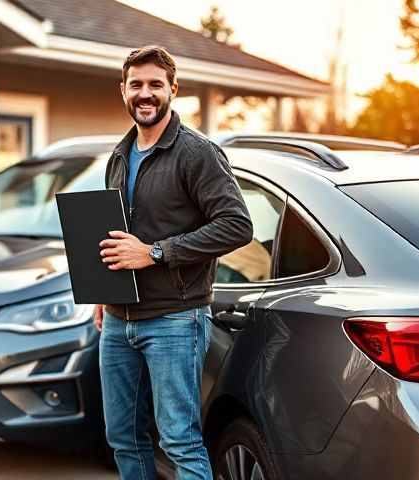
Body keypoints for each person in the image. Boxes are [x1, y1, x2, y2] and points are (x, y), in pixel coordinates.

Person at [96, 46, 253, 480]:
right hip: (116, 318)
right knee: (123, 437)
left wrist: (155, 252)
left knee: (179, 440)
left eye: (155, 85)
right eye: (136, 85)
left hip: (175, 319)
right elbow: (115, 233)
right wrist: (101, 291)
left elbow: (238, 225)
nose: (145, 94)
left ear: (173, 90)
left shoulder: (196, 153)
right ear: (123, 91)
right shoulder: (119, 154)